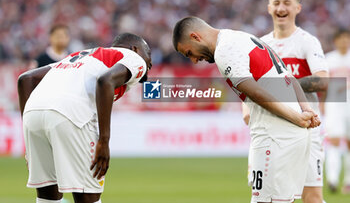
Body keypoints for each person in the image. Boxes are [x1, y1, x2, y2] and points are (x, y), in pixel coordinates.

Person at [172, 16, 320, 203]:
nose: (193, 60)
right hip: (292, 134)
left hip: (274, 135)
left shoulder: (224, 50)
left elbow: (255, 92)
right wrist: (305, 110)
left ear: (195, 37)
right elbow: (288, 77)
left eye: (188, 53)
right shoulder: (241, 37)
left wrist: (297, 117)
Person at [17, 33, 152, 203]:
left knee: (47, 197)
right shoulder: (132, 57)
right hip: (70, 114)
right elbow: (105, 81)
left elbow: (26, 79)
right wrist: (104, 141)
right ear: (135, 49)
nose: (151, 63)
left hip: (33, 114)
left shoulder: (80, 56)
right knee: (87, 196)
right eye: (149, 54)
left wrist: (28, 137)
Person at [244, 0, 329, 203]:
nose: (282, 8)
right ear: (269, 8)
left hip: (306, 130)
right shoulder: (259, 45)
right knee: (269, 197)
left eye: (287, 3)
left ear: (297, 8)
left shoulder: (307, 42)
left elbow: (322, 80)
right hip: (270, 133)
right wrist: (246, 108)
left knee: (311, 197)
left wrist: (285, 85)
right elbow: (247, 85)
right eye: (277, 3)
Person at [324, 29, 350, 194]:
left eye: (346, 38)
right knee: (333, 140)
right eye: (341, 38)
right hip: (334, 102)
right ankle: (332, 179)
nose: (344, 41)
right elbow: (323, 84)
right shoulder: (329, 59)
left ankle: (348, 181)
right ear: (335, 40)